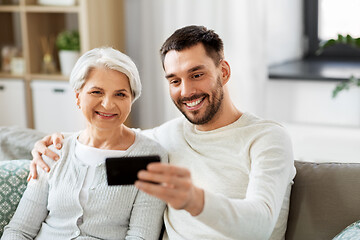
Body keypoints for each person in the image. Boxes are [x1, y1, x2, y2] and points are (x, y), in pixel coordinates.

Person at [28, 26, 296, 240]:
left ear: (223, 71)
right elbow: (106, 132)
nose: (186, 90)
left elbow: (260, 224)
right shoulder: (167, 137)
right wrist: (52, 142)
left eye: (197, 74)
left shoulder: (267, 139)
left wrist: (194, 199)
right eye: (175, 80)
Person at [1, 47, 167, 240]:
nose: (107, 104)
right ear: (78, 96)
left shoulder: (149, 156)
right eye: (97, 92)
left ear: (132, 99)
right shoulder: (54, 149)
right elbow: (19, 230)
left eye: (120, 94)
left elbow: (141, 236)